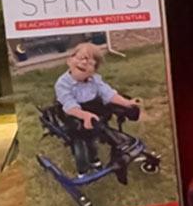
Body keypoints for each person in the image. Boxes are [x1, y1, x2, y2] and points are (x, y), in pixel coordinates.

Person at [55, 42, 141, 175]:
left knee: (103, 121)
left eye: (90, 62)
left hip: (92, 107)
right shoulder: (62, 83)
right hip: (73, 112)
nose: (84, 62)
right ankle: (89, 160)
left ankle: (116, 142)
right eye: (81, 58)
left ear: (94, 70)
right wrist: (84, 116)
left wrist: (127, 102)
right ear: (69, 61)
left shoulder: (94, 79)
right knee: (83, 136)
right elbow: (69, 104)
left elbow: (108, 93)